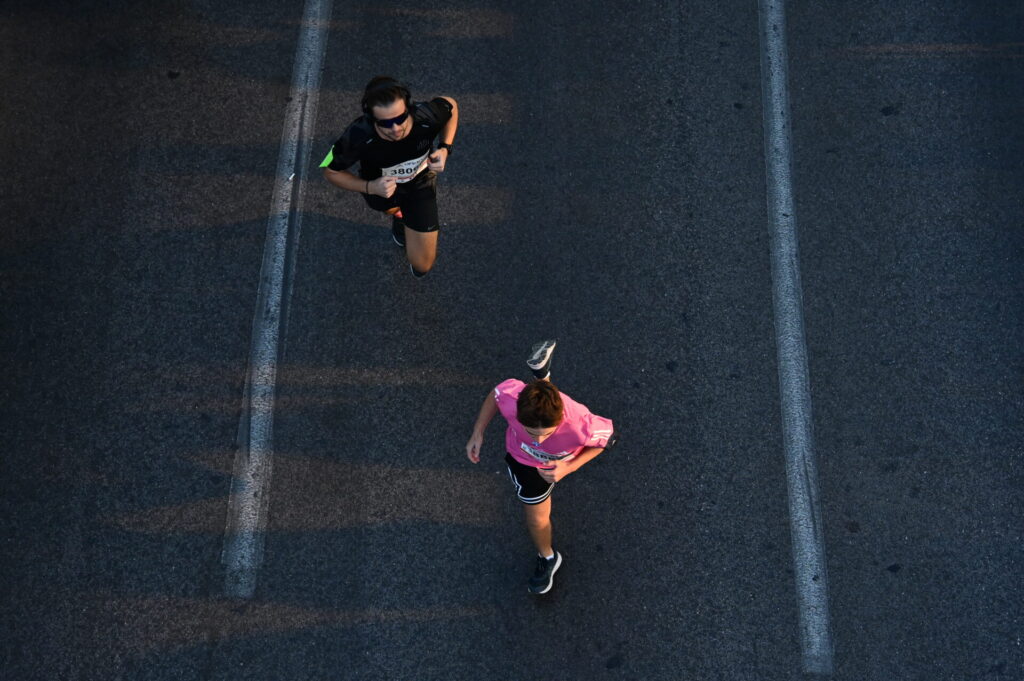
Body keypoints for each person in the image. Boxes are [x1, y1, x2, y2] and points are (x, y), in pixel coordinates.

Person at [465, 340, 617, 594]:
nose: (538, 440)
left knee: (538, 517)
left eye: (546, 433)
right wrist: (478, 432)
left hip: (557, 462)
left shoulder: (581, 424)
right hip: (524, 462)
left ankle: (541, 377)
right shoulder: (513, 398)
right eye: (530, 431)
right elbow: (496, 394)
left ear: (560, 421)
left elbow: (608, 440)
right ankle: (547, 557)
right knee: (537, 519)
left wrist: (569, 467)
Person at [320, 76, 459, 278]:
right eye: (385, 123)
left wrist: (445, 147)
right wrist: (370, 187)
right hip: (380, 189)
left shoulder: (426, 116)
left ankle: (405, 218)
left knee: (422, 265)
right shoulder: (357, 134)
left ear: (409, 108)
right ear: (371, 118)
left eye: (400, 118)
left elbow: (451, 106)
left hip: (420, 185)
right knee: (392, 209)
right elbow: (330, 171)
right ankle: (400, 217)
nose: (395, 129)